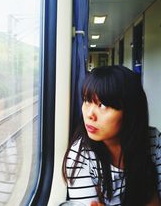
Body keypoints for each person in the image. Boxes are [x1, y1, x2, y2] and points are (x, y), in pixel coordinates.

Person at [62, 65, 161, 206]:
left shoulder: (152, 140)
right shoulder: (80, 156)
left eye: (102, 105)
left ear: (129, 110)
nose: (89, 114)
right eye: (86, 100)